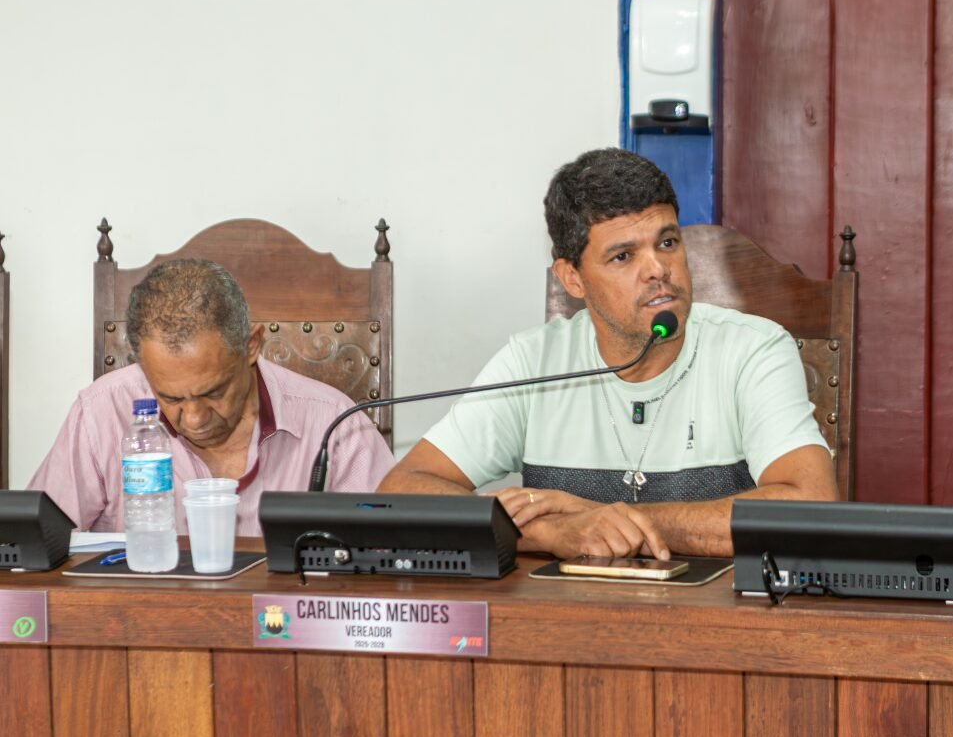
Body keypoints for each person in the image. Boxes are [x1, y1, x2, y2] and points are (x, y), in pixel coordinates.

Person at [380, 148, 837, 558]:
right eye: (623, 256)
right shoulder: (534, 362)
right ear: (572, 279)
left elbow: (809, 507)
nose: (658, 269)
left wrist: (603, 517)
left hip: (715, 616)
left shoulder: (753, 350)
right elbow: (400, 492)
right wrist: (552, 532)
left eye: (667, 242)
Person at [28, 259, 394, 536]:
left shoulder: (335, 424)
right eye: (171, 398)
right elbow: (33, 549)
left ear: (251, 346)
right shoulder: (101, 412)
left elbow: (389, 558)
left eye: (214, 392)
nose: (194, 419)